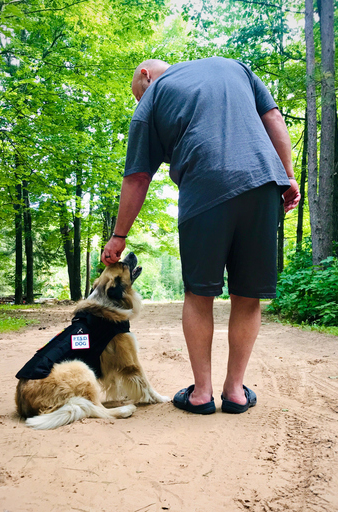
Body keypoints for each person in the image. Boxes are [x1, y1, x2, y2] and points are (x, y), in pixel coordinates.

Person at [101, 57, 301, 415]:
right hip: (262, 181)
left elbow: (136, 178)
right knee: (248, 293)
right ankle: (236, 392)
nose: (139, 103)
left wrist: (118, 237)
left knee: (198, 292)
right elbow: (272, 118)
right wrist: (287, 174)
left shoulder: (152, 98)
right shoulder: (234, 67)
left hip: (204, 189)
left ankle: (201, 394)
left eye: (137, 95)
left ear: (145, 76)